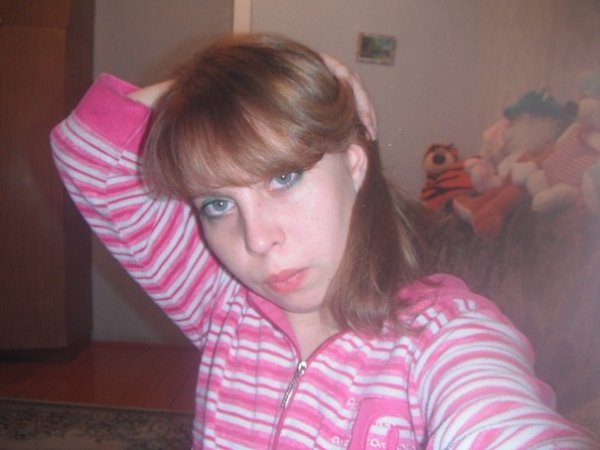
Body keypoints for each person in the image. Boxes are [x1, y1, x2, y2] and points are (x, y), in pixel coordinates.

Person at [51, 33, 595, 449]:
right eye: (217, 204)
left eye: (283, 178)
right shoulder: (222, 304)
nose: (258, 241)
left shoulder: (440, 336)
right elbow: (86, 152)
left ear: (354, 165)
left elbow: (499, 419)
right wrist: (214, 94)